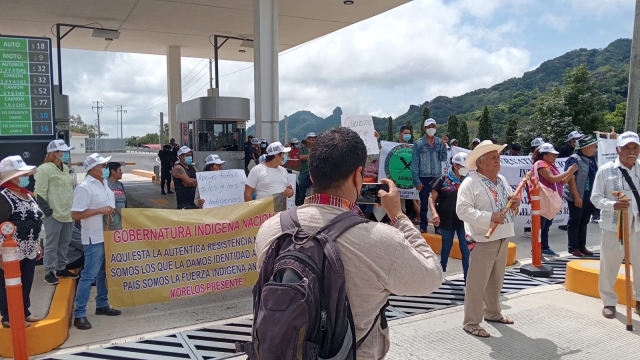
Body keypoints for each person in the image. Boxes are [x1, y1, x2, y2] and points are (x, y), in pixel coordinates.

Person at [254, 127, 442, 357]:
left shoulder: (271, 229)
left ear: (312, 176)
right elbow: (432, 276)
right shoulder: (380, 239)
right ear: (358, 175)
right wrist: (399, 217)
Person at [456, 140, 521, 338]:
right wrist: (489, 218)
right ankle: (471, 322)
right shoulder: (470, 182)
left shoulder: (500, 179)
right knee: (477, 283)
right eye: (493, 158)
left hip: (503, 235)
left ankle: (493, 313)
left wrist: (515, 204)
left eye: (498, 157)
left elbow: (508, 207)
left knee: (496, 280)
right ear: (481, 162)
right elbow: (462, 211)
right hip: (482, 238)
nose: (497, 161)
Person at [591, 131, 640, 319]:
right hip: (614, 226)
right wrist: (613, 205)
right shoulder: (606, 170)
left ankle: (639, 300)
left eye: (635, 147)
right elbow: (595, 198)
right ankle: (609, 301)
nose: (631, 151)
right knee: (609, 264)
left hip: (638, 225)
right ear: (618, 149)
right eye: (626, 147)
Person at [71, 153, 121, 330]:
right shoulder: (84, 188)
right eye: (104, 165)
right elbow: (75, 214)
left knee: (103, 273)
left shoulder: (105, 184)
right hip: (94, 237)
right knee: (89, 275)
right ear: (94, 169)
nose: (106, 168)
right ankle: (80, 314)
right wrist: (100, 210)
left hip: (106, 235)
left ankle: (102, 304)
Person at [0, 156, 44, 328]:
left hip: (29, 248)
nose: (26, 177)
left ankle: (24, 312)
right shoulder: (4, 196)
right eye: (22, 174)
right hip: (10, 251)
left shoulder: (27, 195)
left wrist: (38, 244)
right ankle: (9, 316)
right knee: (8, 285)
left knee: (26, 282)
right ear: (11, 177)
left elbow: (36, 220)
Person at [34, 139, 77, 285]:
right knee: (52, 244)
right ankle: (49, 272)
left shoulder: (64, 168)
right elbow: (40, 192)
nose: (65, 154)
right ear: (54, 153)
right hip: (53, 213)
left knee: (64, 242)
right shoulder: (44, 169)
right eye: (62, 152)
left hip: (67, 212)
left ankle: (61, 267)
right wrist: (47, 211)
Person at [429, 152, 471, 281]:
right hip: (447, 219)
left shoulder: (469, 180)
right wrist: (434, 213)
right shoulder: (443, 179)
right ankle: (442, 271)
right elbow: (431, 197)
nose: (466, 168)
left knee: (465, 248)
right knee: (447, 246)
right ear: (455, 165)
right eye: (463, 165)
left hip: (464, 220)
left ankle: (467, 279)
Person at [531, 143, 578, 256]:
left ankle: (544, 247)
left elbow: (560, 183)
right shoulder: (541, 164)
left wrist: (570, 173)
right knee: (540, 226)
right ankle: (536, 251)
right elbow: (552, 179)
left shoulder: (550, 165)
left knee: (546, 226)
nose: (555, 157)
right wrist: (568, 172)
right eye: (552, 155)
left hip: (548, 201)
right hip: (542, 202)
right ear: (545, 156)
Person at [411, 118, 447, 233]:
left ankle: (438, 227)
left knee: (437, 203)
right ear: (424, 128)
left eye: (433, 126)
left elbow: (443, 158)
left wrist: (444, 145)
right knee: (424, 203)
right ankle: (423, 226)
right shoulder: (418, 144)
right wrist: (417, 181)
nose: (431, 128)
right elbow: (415, 164)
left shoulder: (439, 142)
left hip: (436, 177)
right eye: (429, 126)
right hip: (424, 177)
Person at [564, 135, 598, 257]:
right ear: (587, 147)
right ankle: (573, 247)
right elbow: (570, 179)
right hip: (576, 196)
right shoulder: (574, 159)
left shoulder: (593, 158)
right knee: (575, 221)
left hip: (589, 196)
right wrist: (577, 196)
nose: (596, 148)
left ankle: (582, 246)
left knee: (584, 221)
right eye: (594, 145)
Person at [522, 137, 545, 238]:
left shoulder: (541, 159)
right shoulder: (528, 158)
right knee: (528, 208)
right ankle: (527, 230)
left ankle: (536, 230)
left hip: (537, 186)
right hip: (529, 185)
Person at [296, 132, 316, 205]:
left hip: (314, 172)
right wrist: (313, 155)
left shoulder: (317, 148)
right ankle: (301, 203)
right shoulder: (302, 148)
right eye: (312, 139)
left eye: (314, 139)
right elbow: (301, 157)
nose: (314, 141)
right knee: (301, 186)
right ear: (307, 140)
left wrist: (307, 156)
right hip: (304, 171)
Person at [106, 162, 126, 230]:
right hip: (111, 219)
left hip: (122, 217)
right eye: (120, 170)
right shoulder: (105, 184)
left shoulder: (120, 185)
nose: (122, 172)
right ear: (113, 171)